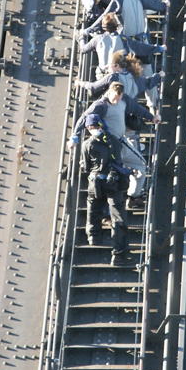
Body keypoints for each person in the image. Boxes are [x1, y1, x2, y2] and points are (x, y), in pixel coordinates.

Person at [69, 82, 160, 208]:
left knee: (141, 166)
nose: (116, 101)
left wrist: (151, 117)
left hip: (121, 143)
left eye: (119, 98)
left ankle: (133, 196)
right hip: (106, 148)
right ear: (109, 92)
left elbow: (136, 108)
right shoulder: (101, 105)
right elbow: (84, 118)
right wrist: (74, 137)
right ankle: (107, 211)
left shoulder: (123, 100)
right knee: (108, 178)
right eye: (114, 98)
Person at [80, 113, 130, 264]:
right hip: (113, 183)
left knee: (93, 208)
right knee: (118, 217)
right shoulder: (113, 141)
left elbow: (86, 167)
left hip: (95, 183)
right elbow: (119, 160)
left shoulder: (87, 144)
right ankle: (118, 254)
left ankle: (93, 237)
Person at [79, 12, 165, 76]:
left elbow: (83, 49)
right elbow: (141, 48)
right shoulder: (124, 39)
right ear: (116, 25)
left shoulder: (97, 39)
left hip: (102, 75)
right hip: (119, 75)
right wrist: (159, 48)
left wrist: (81, 37)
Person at [77, 49, 164, 109]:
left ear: (116, 66)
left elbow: (93, 87)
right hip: (130, 110)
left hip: (113, 108)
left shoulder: (113, 76)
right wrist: (159, 75)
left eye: (110, 64)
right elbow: (149, 82)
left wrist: (80, 83)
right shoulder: (135, 77)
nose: (107, 66)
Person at [83, 0, 167, 39]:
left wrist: (90, 29)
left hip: (128, 40)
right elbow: (154, 4)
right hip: (142, 37)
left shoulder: (117, 0)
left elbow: (104, 15)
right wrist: (164, 5)